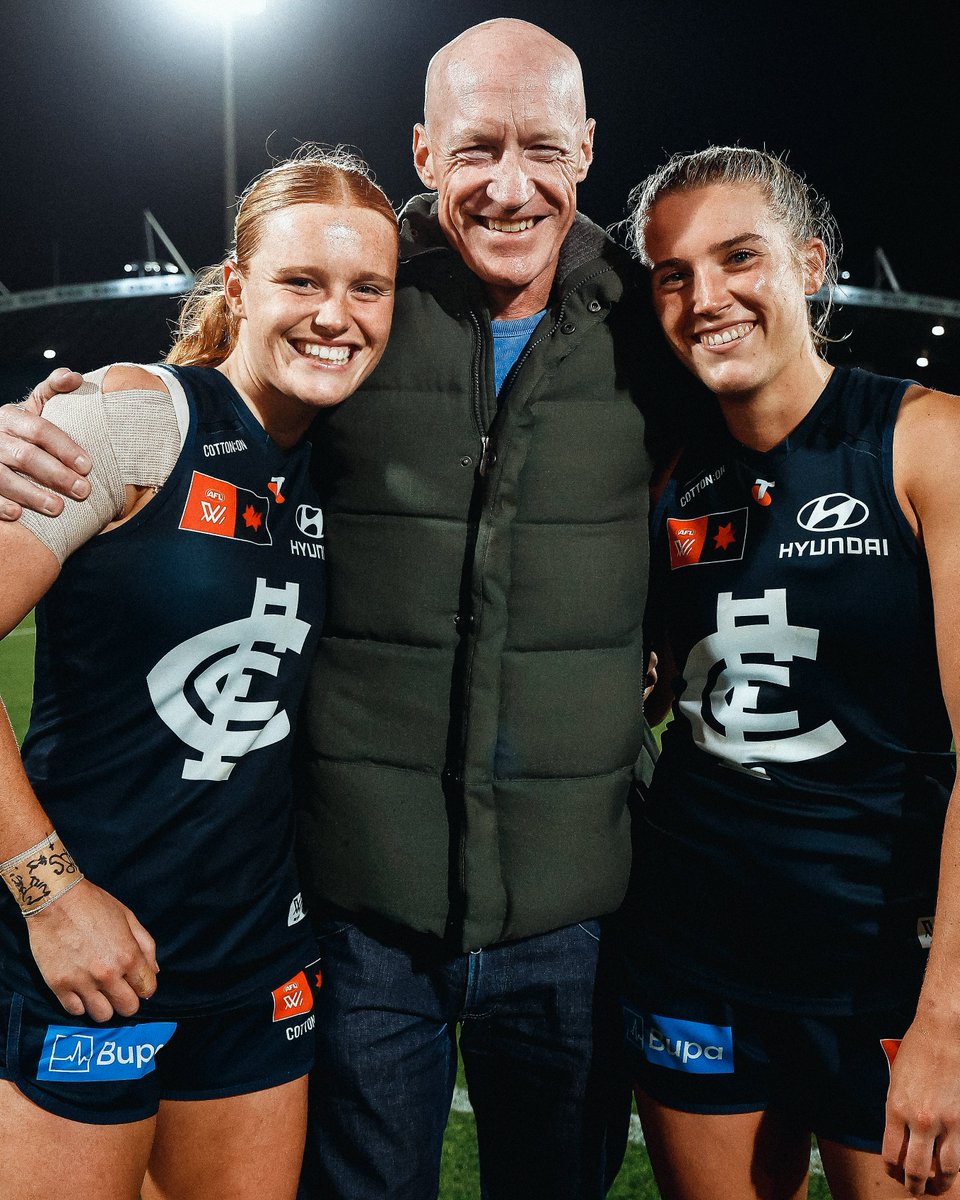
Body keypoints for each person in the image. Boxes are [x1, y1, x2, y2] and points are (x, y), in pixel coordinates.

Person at [0, 19, 692, 1199]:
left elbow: (737, 484)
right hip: (351, 927)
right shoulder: (338, 318)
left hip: (544, 923)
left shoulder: (653, 325)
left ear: (588, 147)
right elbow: (196, 395)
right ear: (424, 149)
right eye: (476, 148)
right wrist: (40, 428)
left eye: (542, 147)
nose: (510, 184)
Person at [0, 148, 398, 1200]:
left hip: (258, 970)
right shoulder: (135, 419)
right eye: (302, 281)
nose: (336, 315)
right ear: (236, 287)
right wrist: (50, 895)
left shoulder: (350, 459)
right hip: (87, 956)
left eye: (368, 288)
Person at [617, 145, 960, 1200]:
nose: (705, 296)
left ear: (810, 264)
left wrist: (949, 1019)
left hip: (885, 974)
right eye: (673, 274)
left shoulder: (923, 445)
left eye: (738, 258)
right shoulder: (674, 480)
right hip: (694, 956)